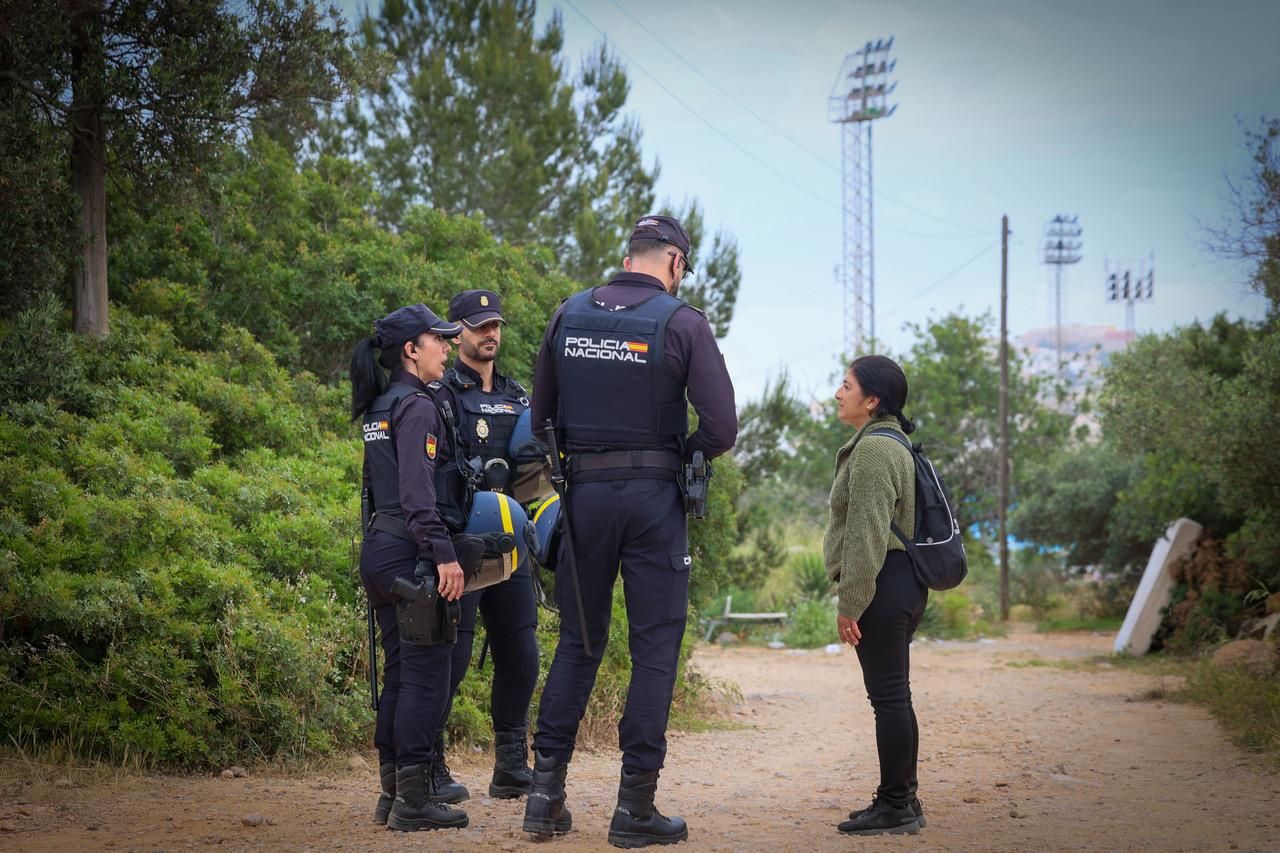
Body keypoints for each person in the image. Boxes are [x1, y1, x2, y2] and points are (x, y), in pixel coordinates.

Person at [522, 215, 737, 848]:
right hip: (652, 502)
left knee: (577, 644)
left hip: (583, 499)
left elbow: (541, 417)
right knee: (654, 652)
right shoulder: (682, 322)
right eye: (683, 267)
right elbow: (722, 429)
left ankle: (543, 798)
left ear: (630, 254)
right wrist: (681, 454)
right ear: (672, 260)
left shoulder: (568, 314)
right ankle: (633, 809)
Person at [349, 303, 468, 832]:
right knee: (427, 677)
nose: (447, 347)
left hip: (378, 548)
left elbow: (375, 490)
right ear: (410, 351)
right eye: (437, 340)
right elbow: (419, 496)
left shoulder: (380, 405)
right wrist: (444, 555)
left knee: (399, 671)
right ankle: (415, 802)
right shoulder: (417, 406)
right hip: (409, 549)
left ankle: (393, 793)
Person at [428, 289, 540, 803]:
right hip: (463, 543)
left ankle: (512, 765)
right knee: (453, 653)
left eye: (495, 325)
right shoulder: (441, 393)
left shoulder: (521, 397)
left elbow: (538, 475)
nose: (489, 334)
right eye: (478, 327)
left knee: (520, 651)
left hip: (512, 543)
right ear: (457, 333)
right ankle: (430, 761)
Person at [824, 354, 927, 837]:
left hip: (884, 583)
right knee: (895, 696)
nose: (838, 393)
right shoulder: (891, 442)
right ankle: (903, 799)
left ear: (872, 400)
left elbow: (865, 534)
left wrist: (850, 603)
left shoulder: (873, 451)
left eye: (846, 386)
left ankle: (896, 806)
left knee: (887, 698)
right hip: (901, 580)